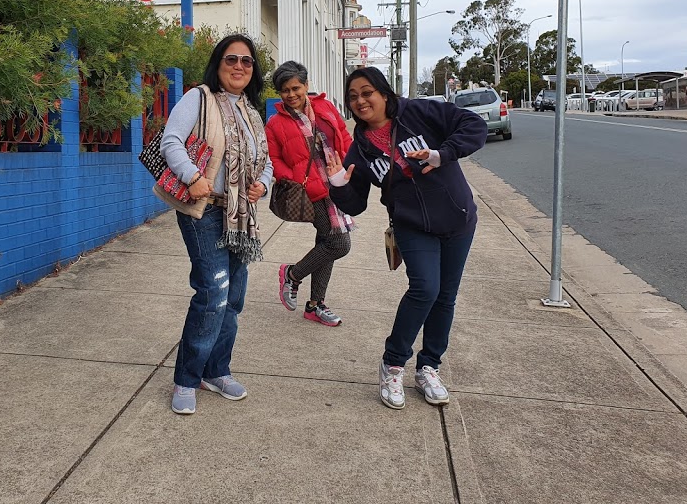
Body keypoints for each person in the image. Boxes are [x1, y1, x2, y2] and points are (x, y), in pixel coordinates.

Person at [327, 67, 487, 410]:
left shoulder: (419, 112)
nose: (360, 101)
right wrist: (338, 185)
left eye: (367, 92)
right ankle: (393, 363)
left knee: (445, 297)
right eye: (353, 96)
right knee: (425, 289)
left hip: (458, 218)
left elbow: (474, 125)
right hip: (410, 225)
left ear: (384, 94)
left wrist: (442, 154)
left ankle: (429, 367)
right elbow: (356, 203)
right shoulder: (360, 149)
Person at [157, 34, 273, 415]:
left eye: (247, 61)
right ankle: (187, 379)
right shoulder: (199, 99)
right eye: (231, 59)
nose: (239, 66)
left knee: (234, 299)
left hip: (240, 215)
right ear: (218, 63)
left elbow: (266, 161)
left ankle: (216, 370)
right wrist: (192, 176)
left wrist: (263, 183)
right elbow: (170, 141)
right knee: (212, 294)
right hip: (203, 209)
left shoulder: (253, 112)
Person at [265, 61, 354, 326]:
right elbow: (275, 159)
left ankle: (316, 305)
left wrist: (351, 168)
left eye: (296, 88)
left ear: (306, 85)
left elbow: (344, 137)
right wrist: (295, 181)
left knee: (325, 243)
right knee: (339, 244)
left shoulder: (326, 107)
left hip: (336, 184)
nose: (291, 94)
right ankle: (292, 274)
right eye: (284, 90)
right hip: (310, 191)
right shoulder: (275, 124)